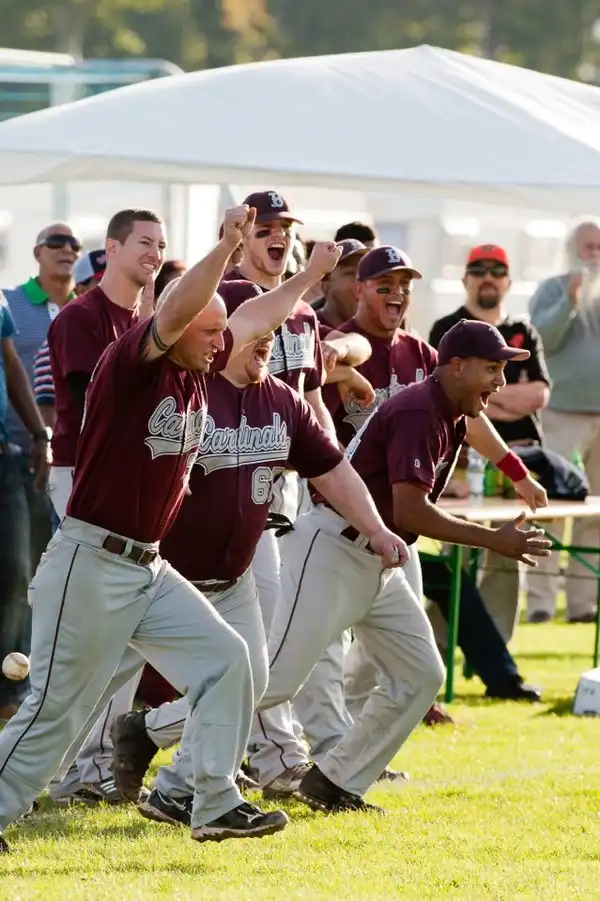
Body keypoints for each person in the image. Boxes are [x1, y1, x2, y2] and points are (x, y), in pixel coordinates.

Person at [0, 205, 344, 853]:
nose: (224, 342)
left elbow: (251, 318)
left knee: (229, 661)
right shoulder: (137, 359)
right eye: (211, 331)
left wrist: (308, 280)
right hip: (91, 559)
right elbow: (184, 308)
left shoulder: (199, 363)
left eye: (223, 334)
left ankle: (210, 799)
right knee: (56, 712)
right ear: (181, 325)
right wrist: (227, 246)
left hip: (147, 566)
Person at [98, 274, 409, 825]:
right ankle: (66, 778)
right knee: (82, 685)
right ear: (226, 333)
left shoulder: (284, 400)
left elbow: (335, 472)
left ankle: (178, 790)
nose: (272, 339)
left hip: (231, 575)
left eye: (279, 329)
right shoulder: (190, 386)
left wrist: (378, 529)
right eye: (260, 328)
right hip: (156, 573)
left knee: (249, 679)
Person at [257, 320, 551, 815]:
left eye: (503, 369)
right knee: (279, 680)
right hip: (333, 548)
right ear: (456, 367)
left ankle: (334, 782)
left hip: (378, 556)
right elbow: (411, 512)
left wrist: (515, 472)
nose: (501, 382)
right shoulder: (420, 409)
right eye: (493, 369)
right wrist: (492, 539)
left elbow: (412, 510)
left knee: (420, 675)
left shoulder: (450, 403)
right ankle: (150, 729)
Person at [322, 245, 545, 710]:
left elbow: (472, 417)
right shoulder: (336, 344)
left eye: (404, 286)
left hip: (397, 524)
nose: (397, 294)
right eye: (385, 285)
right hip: (338, 516)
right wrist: (338, 363)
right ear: (360, 289)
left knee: (399, 645)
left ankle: (350, 745)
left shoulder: (423, 353)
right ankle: (313, 742)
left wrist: (516, 471)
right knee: (319, 651)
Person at [42, 210, 162, 804]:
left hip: (132, 487)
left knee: (126, 636)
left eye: (161, 244)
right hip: (82, 480)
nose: (155, 252)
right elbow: (97, 414)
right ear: (110, 249)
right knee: (91, 635)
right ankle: (65, 772)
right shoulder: (82, 317)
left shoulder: (151, 319)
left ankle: (87, 770)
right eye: (144, 242)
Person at [429, 244, 551, 633]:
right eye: (479, 269)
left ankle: (495, 652)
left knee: (510, 552)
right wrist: (504, 401)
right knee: (458, 555)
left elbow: (539, 395)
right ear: (465, 279)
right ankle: (443, 644)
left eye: (497, 271)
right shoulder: (448, 328)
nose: (488, 277)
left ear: (508, 281)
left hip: (521, 456)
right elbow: (445, 395)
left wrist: (478, 397)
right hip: (461, 463)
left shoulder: (524, 329)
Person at [529, 218, 600, 623]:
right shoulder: (553, 289)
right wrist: (571, 299)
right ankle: (540, 601)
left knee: (595, 515)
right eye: (588, 247)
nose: (594, 255)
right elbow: (542, 337)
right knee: (552, 506)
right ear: (572, 250)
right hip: (561, 414)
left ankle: (582, 604)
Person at [1, 223, 79, 579]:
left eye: (73, 244)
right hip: (21, 453)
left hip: (72, 456)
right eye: (56, 243)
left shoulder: (84, 308)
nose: (67, 249)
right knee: (24, 565)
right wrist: (36, 434)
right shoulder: (12, 300)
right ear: (37, 253)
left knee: (55, 564)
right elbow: (12, 368)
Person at [0, 292, 50, 722]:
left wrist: (39, 433)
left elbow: (11, 365)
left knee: (18, 573)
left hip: (5, 458)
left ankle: (10, 689)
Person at [312, 238, 367, 327]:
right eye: (350, 273)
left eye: (365, 272)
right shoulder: (306, 331)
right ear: (325, 287)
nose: (360, 281)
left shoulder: (378, 332)